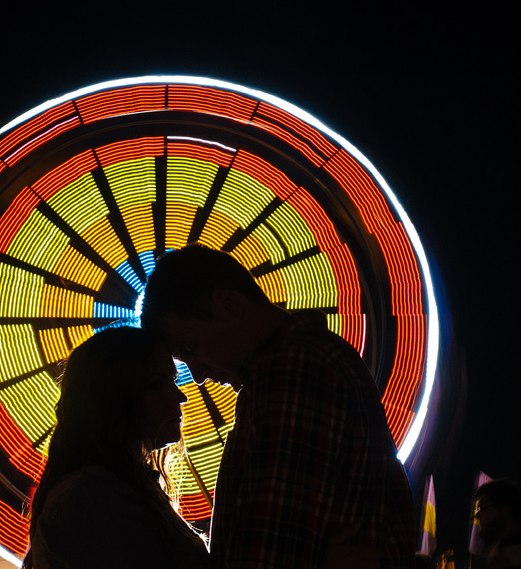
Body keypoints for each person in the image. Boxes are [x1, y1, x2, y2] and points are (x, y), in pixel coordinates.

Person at [140, 244, 417, 569]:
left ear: (229, 305)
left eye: (193, 348)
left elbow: (268, 553)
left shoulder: (293, 369)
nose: (197, 376)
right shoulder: (308, 360)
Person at [23, 326, 208, 569]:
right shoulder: (92, 501)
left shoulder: (109, 491)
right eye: (156, 384)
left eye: (172, 381)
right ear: (110, 400)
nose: (180, 397)